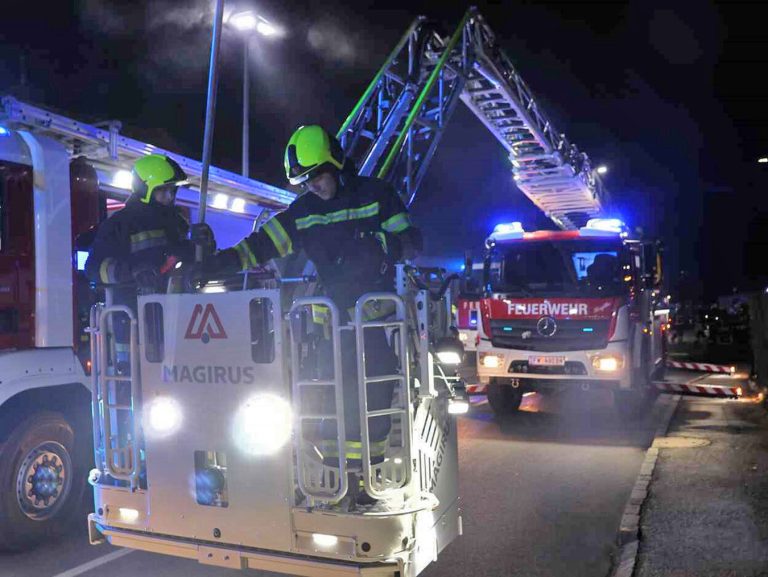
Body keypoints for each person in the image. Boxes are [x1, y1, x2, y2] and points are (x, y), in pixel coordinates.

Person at [203, 125, 422, 497]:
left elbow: (412, 243)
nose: (313, 187)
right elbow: (262, 245)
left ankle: (367, 480)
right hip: (329, 329)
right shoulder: (303, 212)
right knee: (326, 405)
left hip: (372, 325)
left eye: (316, 176)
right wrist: (218, 264)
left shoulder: (376, 195)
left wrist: (377, 244)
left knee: (373, 401)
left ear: (335, 163)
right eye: (304, 182)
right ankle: (335, 478)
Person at [85, 154, 197, 369]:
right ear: (145, 189)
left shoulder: (176, 222)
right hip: (133, 325)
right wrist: (132, 271)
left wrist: (203, 245)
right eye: (163, 190)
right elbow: (93, 268)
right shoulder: (119, 224)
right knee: (135, 392)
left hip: (175, 321)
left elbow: (183, 258)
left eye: (172, 190)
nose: (169, 196)